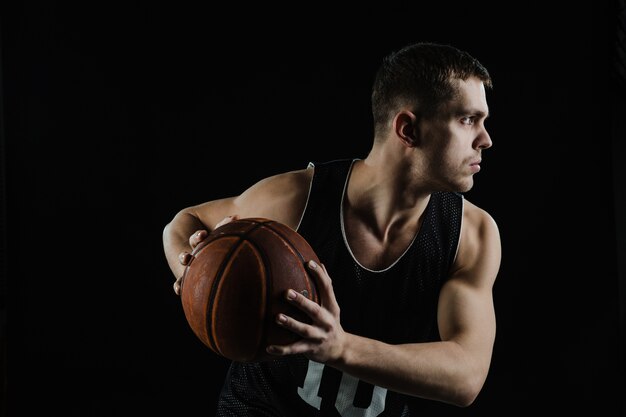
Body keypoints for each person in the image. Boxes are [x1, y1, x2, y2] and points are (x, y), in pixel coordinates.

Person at [163, 41, 502, 416]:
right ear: (408, 130)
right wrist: (195, 273)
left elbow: (467, 375)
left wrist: (339, 348)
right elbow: (185, 221)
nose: (485, 139)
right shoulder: (298, 199)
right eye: (468, 119)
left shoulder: (471, 235)